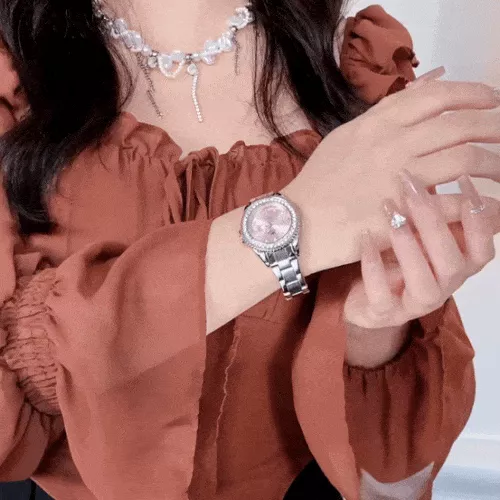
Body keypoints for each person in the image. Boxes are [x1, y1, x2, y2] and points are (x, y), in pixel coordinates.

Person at [0, 0, 499, 499]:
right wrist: (295, 224)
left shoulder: (355, 63)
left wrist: (373, 326)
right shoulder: (14, 69)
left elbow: (386, 461)